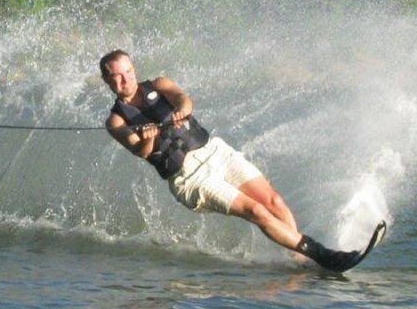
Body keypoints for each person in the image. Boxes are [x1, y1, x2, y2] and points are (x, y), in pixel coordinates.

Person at [99, 49, 384, 272]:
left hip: (214, 151)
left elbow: (184, 99)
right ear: (107, 81)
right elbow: (142, 152)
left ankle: (301, 261)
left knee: (274, 202)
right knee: (256, 211)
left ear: (134, 69)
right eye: (116, 77)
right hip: (189, 177)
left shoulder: (159, 84)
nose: (125, 80)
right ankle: (324, 256)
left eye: (128, 72)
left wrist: (181, 111)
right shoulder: (116, 121)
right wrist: (148, 138)